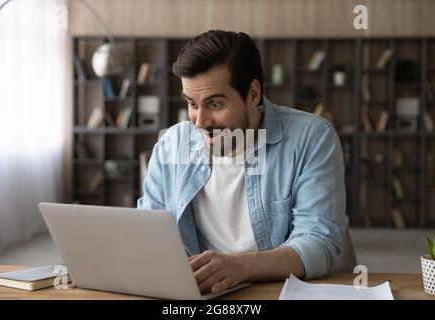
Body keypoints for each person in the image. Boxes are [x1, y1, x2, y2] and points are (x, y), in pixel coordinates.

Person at [137, 30, 346, 294]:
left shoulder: (311, 138)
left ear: (253, 94)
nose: (200, 122)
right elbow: (148, 233)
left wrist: (240, 267)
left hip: (279, 291)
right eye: (192, 103)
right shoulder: (171, 145)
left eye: (215, 104)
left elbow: (319, 243)